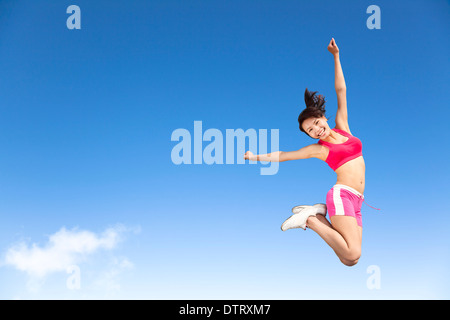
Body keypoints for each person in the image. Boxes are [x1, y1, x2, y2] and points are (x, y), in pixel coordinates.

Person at [244, 38, 374, 266]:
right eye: (310, 130)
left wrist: (336, 56)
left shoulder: (343, 127)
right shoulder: (319, 150)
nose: (316, 130)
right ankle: (312, 220)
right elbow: (284, 155)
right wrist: (254, 156)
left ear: (324, 117)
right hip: (342, 195)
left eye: (316, 123)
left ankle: (315, 214)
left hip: (358, 200)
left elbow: (341, 90)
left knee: (349, 260)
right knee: (353, 253)